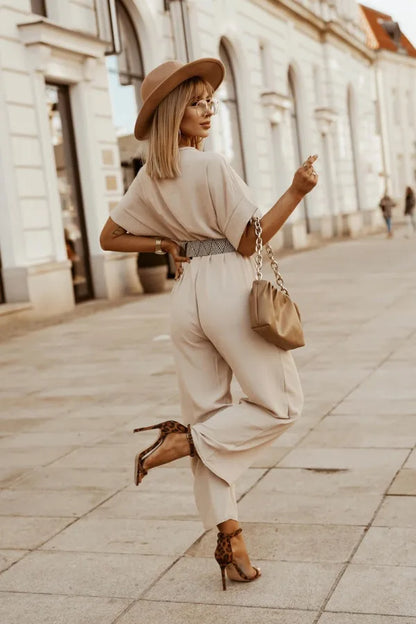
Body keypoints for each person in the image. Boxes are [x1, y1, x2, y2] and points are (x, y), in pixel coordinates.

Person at [100, 58, 318, 590]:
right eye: (196, 102)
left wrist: (166, 243)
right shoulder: (210, 165)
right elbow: (249, 239)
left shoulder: (152, 175)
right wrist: (296, 191)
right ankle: (185, 441)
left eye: (209, 102)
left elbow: (109, 237)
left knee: (209, 415)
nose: (207, 110)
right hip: (227, 284)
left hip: (188, 293)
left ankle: (233, 547)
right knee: (281, 404)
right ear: (173, 112)